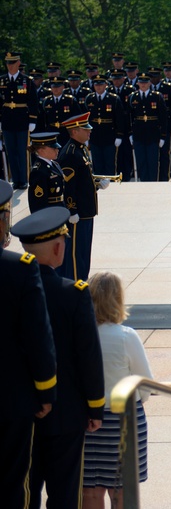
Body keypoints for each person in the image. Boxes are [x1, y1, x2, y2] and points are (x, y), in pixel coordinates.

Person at [11, 206, 105, 509]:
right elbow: (88, 355)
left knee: (23, 492)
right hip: (67, 413)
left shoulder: (10, 289)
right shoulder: (73, 293)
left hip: (22, 409)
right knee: (65, 494)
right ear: (57, 247)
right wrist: (95, 406)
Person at [0, 180, 58, 508]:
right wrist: (46, 391)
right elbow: (38, 336)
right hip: (12, 400)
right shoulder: (19, 271)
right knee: (12, 484)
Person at [82, 271, 154, 509]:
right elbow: (145, 385)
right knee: (122, 493)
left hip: (90, 421)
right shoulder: (126, 336)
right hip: (124, 421)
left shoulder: (80, 334)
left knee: (90, 492)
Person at [59, 112, 110, 282]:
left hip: (87, 212)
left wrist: (97, 184)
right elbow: (68, 187)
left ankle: (82, 284)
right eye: (85, 129)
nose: (89, 132)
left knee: (84, 254)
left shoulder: (81, 150)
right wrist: (71, 210)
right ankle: (74, 286)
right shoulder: (69, 154)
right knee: (75, 256)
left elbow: (82, 180)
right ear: (74, 131)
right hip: (78, 214)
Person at [1, 51, 40, 189]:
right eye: (7, 63)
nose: (10, 66)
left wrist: (32, 120)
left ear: (18, 63)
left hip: (22, 120)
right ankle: (15, 179)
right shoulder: (2, 81)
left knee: (22, 151)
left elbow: (33, 102)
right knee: (11, 151)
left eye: (12, 63)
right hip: (7, 120)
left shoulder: (26, 81)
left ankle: (23, 179)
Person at [27, 132, 65, 213]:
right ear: (41, 150)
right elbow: (38, 203)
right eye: (53, 148)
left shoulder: (55, 164)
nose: (57, 150)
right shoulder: (38, 171)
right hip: (51, 214)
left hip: (60, 209)